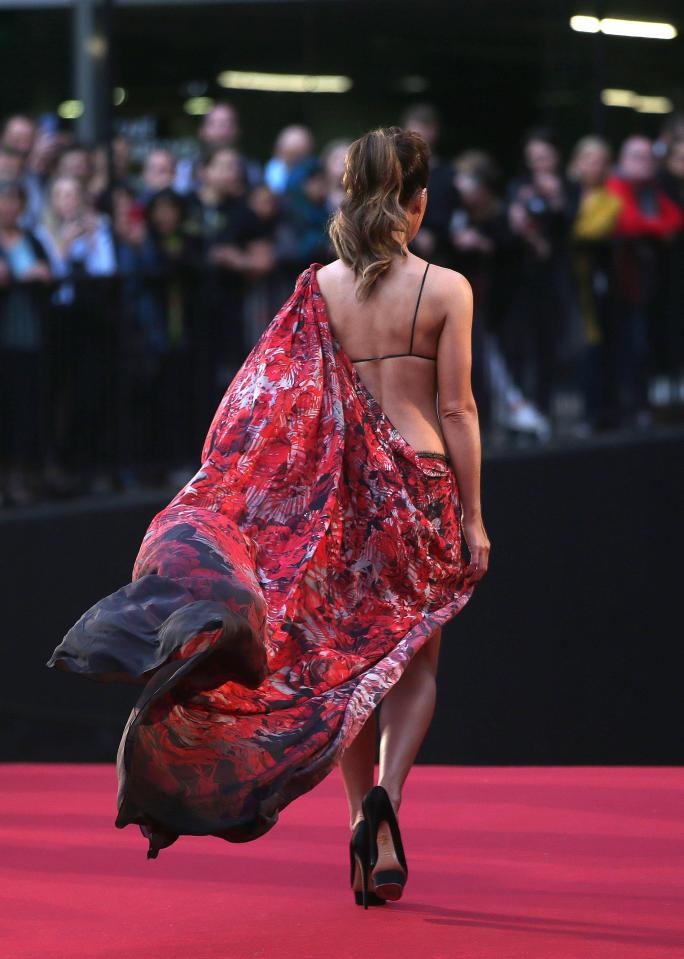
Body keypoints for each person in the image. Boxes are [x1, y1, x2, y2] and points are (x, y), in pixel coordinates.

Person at [45, 126, 490, 910]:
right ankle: (387, 796)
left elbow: (264, 402)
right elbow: (455, 407)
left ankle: (360, 817)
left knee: (350, 667)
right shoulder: (447, 288)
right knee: (415, 660)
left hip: (343, 498)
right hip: (419, 486)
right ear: (419, 204)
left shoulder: (317, 289)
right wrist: (476, 517)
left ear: (348, 196)